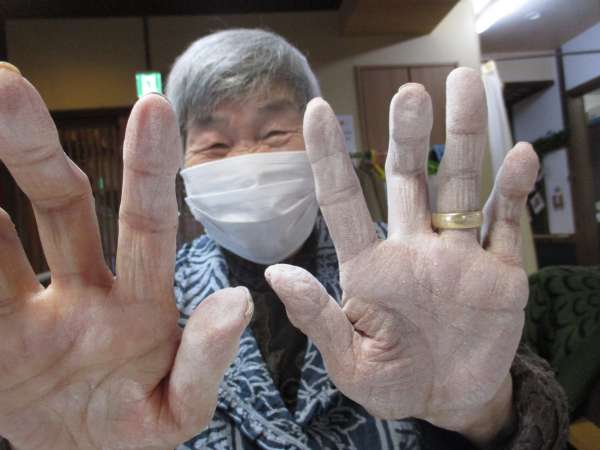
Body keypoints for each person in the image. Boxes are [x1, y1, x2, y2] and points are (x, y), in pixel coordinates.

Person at [0, 28, 568, 450]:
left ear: (320, 140)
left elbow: (502, 411)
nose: (248, 159)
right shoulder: (138, 308)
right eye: (214, 145)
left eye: (274, 133)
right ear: (181, 166)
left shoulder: (423, 273)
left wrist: (485, 416)